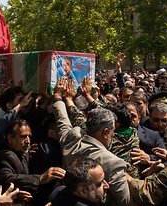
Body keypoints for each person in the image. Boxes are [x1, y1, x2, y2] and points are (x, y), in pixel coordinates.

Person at [52, 77, 131, 206]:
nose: (114, 135)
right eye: (112, 131)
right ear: (106, 132)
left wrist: (58, 98)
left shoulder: (72, 140)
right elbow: (124, 201)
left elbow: (63, 123)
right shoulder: (113, 163)